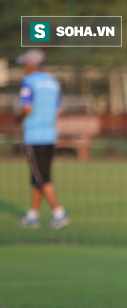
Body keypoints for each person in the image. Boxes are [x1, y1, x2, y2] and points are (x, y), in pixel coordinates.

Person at [16, 48, 69, 230]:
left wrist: (17, 119)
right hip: (50, 135)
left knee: (43, 177)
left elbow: (26, 108)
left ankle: (59, 213)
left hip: (34, 135)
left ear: (30, 65)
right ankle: (33, 214)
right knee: (37, 175)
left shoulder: (28, 82)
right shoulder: (53, 82)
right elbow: (58, 110)